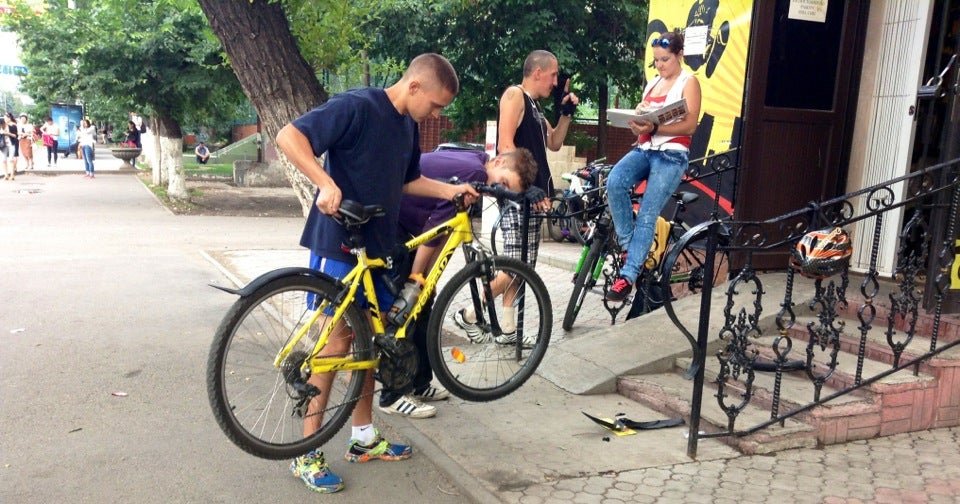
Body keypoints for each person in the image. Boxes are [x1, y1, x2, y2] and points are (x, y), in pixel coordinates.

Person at [275, 52, 477, 494]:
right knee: (337, 343)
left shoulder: (407, 126)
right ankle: (306, 451)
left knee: (371, 340)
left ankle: (363, 438)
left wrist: (449, 191)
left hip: (376, 250)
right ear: (415, 86)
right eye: (436, 105)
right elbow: (289, 136)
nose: (436, 115)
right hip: (338, 242)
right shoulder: (358, 106)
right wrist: (324, 182)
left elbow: (407, 181)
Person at [377, 147, 539, 419]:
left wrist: (426, 280)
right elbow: (435, 230)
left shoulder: (477, 162)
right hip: (394, 222)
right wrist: (417, 277)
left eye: (505, 190)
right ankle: (392, 395)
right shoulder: (474, 173)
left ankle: (418, 382)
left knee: (424, 303)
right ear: (499, 161)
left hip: (405, 223)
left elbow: (441, 231)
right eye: (502, 182)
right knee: (407, 308)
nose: (498, 190)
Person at [604, 30, 702, 302]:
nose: (660, 65)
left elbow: (690, 126)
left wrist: (655, 127)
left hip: (671, 154)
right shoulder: (653, 83)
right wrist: (638, 121)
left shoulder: (689, 82)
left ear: (679, 55)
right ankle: (630, 247)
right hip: (645, 148)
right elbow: (644, 128)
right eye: (656, 60)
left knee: (648, 213)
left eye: (665, 60)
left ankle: (628, 276)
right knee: (615, 182)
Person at [494, 50, 578, 337]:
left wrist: (565, 114)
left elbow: (554, 142)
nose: (555, 82)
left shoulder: (535, 108)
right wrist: (525, 185)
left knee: (523, 265)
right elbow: (505, 144)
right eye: (553, 75)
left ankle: (508, 329)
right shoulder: (514, 95)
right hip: (517, 195)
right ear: (538, 72)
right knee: (516, 265)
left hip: (533, 197)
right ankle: (471, 311)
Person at [2, 113, 18, 180]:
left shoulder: (13, 125)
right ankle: (6, 175)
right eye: (4, 118)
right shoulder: (2, 125)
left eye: (6, 118)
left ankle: (12, 175)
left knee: (11, 159)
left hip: (11, 144)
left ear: (9, 118)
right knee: (3, 160)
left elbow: (15, 135)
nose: (5, 119)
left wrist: (7, 133)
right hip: (3, 145)